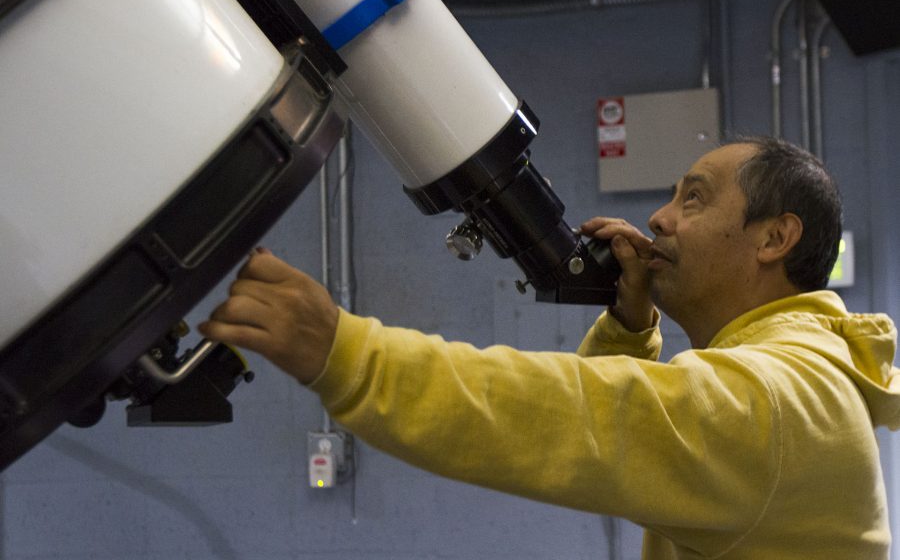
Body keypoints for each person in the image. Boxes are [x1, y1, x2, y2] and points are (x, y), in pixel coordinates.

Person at [200, 136, 900, 559]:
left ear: (774, 240)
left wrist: (346, 352)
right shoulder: (801, 374)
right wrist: (628, 331)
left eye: (694, 199)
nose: (658, 216)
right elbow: (622, 445)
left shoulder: (776, 399)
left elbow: (568, 416)